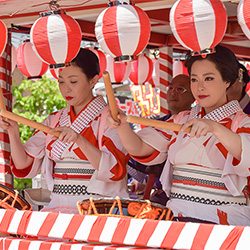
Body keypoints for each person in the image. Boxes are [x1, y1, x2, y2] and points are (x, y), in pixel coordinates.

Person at [107, 45, 250, 225]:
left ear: (227, 81)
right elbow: (141, 148)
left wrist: (214, 127)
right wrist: (122, 126)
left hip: (223, 221)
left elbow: (246, 155)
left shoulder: (242, 123)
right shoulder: (182, 120)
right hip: (177, 216)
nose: (200, 87)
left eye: (209, 78)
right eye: (194, 79)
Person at [0, 48, 130, 214]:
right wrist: (13, 132)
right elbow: (23, 165)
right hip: (59, 205)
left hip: (97, 209)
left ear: (93, 81)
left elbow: (115, 170)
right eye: (61, 82)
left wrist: (79, 140)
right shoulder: (54, 119)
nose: (66, 89)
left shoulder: (111, 119)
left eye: (73, 82)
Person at [128, 74, 195, 205]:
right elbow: (138, 157)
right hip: (159, 191)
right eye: (170, 88)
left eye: (180, 89)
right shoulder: (159, 124)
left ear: (194, 95)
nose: (173, 92)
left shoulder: (198, 123)